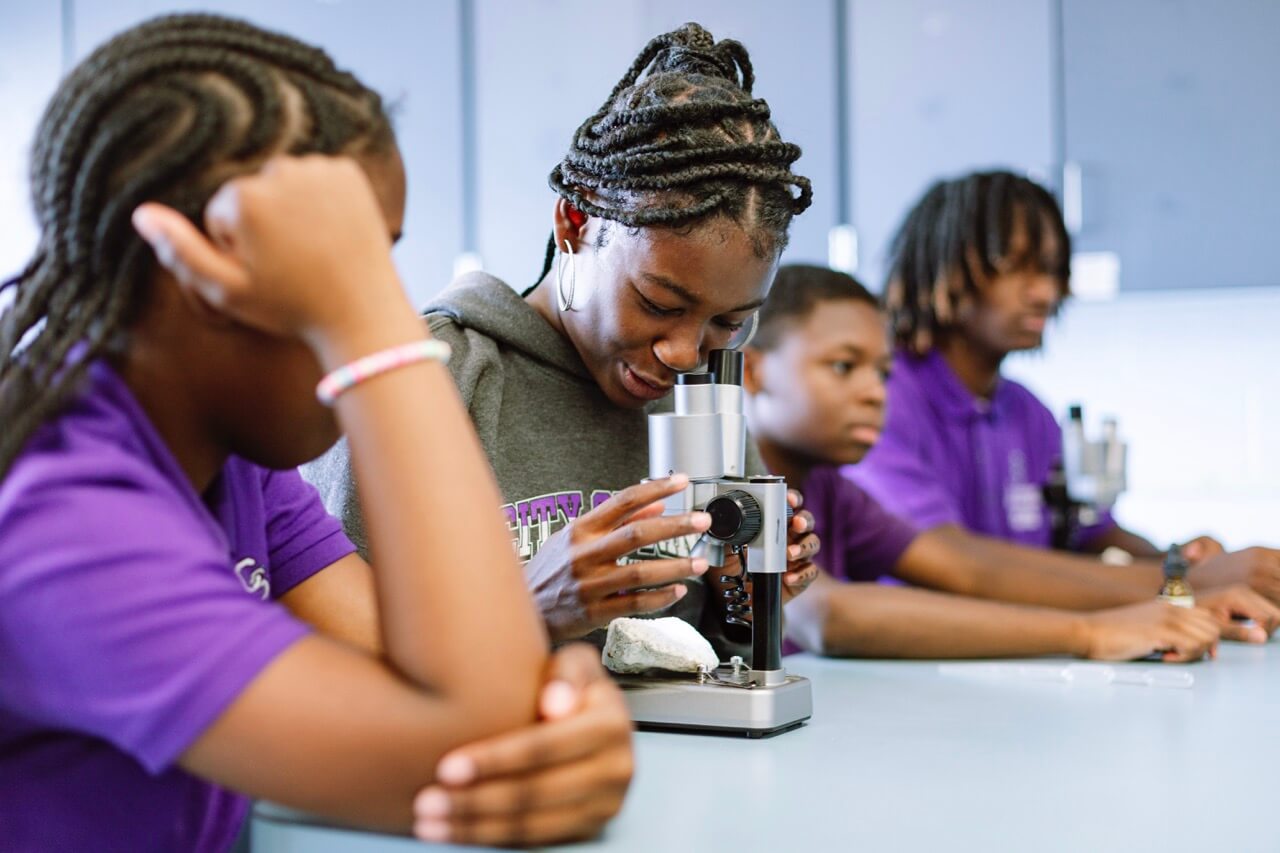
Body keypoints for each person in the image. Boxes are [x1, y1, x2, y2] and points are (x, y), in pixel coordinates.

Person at [0, 15, 630, 851]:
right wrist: (370, 331)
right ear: (195, 268)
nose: (381, 300)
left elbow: (460, 687)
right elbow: (470, 742)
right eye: (345, 266)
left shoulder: (231, 459)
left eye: (376, 266)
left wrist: (564, 691)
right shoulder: (60, 518)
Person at [307, 22, 820, 656]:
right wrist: (529, 607)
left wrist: (745, 591)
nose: (685, 353)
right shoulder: (432, 379)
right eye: (658, 302)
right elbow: (335, 648)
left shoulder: (704, 399)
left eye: (729, 321)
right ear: (574, 222)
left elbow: (720, 654)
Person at [745, 265, 1278, 659]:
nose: (874, 392)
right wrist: (1092, 632)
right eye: (843, 366)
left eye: (882, 373)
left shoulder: (835, 493)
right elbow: (828, 615)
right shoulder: (739, 490)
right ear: (752, 371)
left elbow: (965, 571)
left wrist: (1181, 591)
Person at [848, 171, 1280, 602]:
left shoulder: (1025, 410)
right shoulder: (881, 395)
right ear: (944, 265)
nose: (1045, 291)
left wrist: (1182, 561)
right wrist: (1186, 583)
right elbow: (954, 563)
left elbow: (1093, 536)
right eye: (1016, 266)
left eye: (1053, 269)